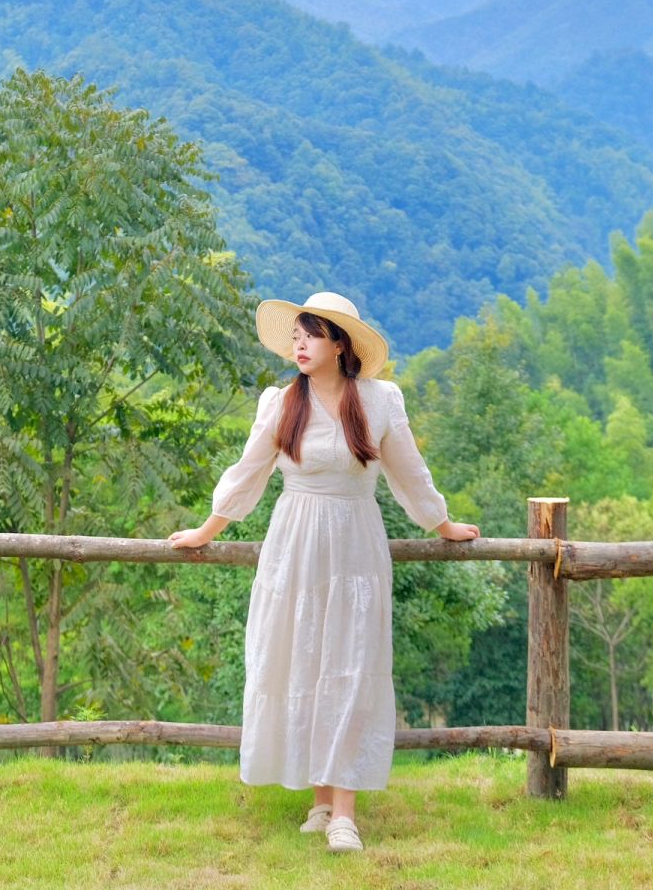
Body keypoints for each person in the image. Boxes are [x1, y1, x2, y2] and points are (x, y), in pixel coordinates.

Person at [169, 291, 478, 854]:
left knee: (352, 666)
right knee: (302, 660)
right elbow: (247, 474)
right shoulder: (281, 402)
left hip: (356, 545)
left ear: (340, 345)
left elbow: (409, 473)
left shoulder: (379, 401)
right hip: (294, 545)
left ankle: (344, 815)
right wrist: (204, 532)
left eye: (312, 334)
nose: (300, 344)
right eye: (296, 335)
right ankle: (319, 800)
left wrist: (442, 523)